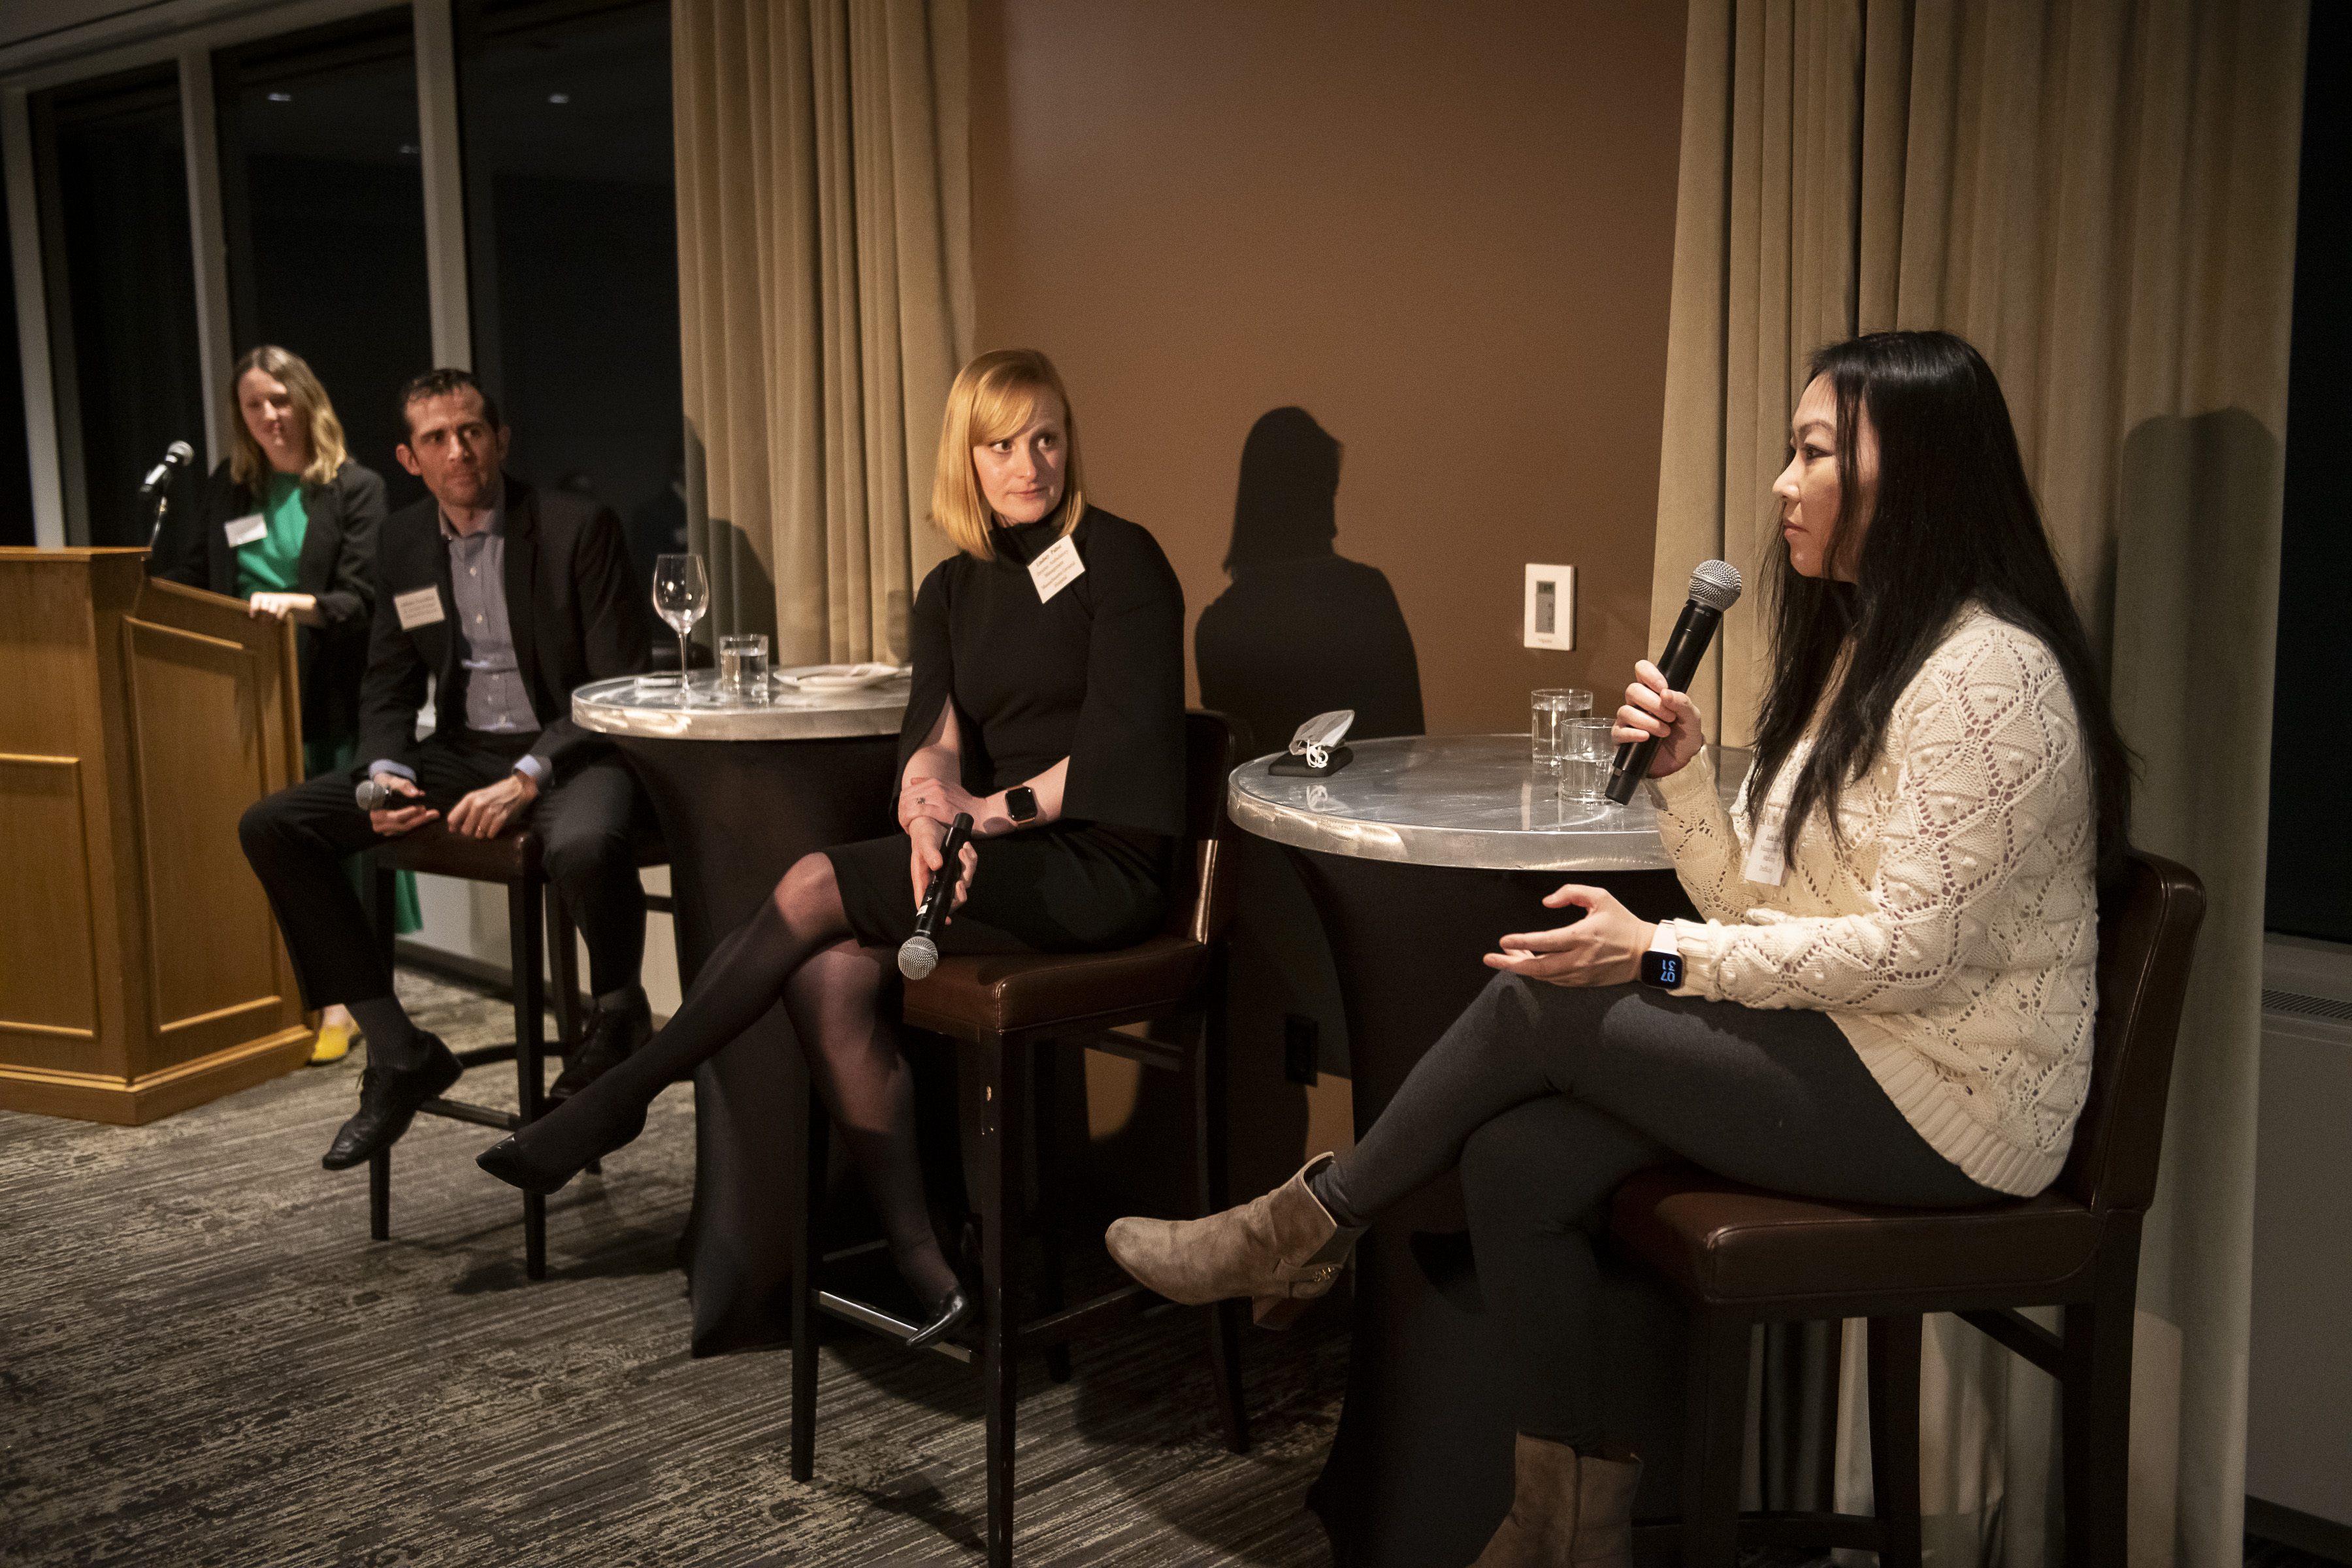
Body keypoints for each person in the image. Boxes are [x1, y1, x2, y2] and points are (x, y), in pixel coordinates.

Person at [1106, 330, 2133, 1568]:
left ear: (1908, 473)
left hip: (1954, 1108)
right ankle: (1565, 1529)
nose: (1782, 484)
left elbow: (1909, 955)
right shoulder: (1874, 654)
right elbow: (1761, 902)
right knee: (1518, 1160)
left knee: (1553, 999)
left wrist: (1657, 955)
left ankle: (1306, 1226)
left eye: (1815, 453)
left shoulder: (1989, 675)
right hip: (1862, 1050)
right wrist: (1686, 780)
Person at [476, 348, 1186, 1348]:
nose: (1029, 464)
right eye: (1001, 445)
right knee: (825, 977)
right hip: (995, 851)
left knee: (814, 881)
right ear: (966, 457)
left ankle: (623, 1094)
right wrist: (926, 812)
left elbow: (1125, 748)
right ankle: (930, 1267)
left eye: (1046, 438)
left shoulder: (1123, 558)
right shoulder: (952, 587)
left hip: (1100, 866)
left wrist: (982, 814)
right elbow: (934, 735)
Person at [238, 368, 658, 1173]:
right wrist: (382, 775)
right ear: (410, 458)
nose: (458, 450)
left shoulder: (576, 526)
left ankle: (618, 1016)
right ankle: (400, 1053)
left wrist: (531, 772)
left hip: (574, 746)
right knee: (274, 827)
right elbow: (389, 680)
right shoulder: (400, 541)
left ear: (500, 440)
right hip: (463, 751)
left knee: (583, 843)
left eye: (471, 431)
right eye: (437, 438)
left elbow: (615, 685)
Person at [158, 344, 410, 1064]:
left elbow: (362, 599)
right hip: (239, 696)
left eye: (280, 399)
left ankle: (346, 1001)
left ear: (306, 400)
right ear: (239, 415)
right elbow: (199, 575)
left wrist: (292, 604)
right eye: (254, 404)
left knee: (330, 849)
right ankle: (266, 989)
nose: (269, 415)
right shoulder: (229, 486)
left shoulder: (355, 487)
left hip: (324, 690)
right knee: (258, 840)